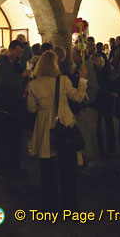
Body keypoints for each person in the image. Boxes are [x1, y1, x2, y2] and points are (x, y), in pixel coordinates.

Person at [27, 50, 88, 209]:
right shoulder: (64, 81)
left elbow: (31, 108)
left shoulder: (34, 84)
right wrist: (82, 80)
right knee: (68, 169)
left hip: (45, 126)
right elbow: (78, 97)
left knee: (47, 170)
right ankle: (69, 205)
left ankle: (50, 205)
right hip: (64, 123)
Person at [0, 39, 31, 177]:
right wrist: (22, 76)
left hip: (15, 107)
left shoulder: (15, 64)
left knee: (16, 138)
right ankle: (1, 167)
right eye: (18, 52)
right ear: (11, 49)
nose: (19, 55)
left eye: (21, 53)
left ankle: (14, 165)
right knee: (2, 139)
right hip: (3, 107)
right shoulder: (0, 64)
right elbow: (4, 82)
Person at [94, 43, 116, 156]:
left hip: (105, 98)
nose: (96, 63)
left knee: (108, 123)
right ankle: (101, 148)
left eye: (97, 61)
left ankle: (110, 147)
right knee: (99, 125)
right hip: (101, 98)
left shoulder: (106, 72)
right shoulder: (98, 71)